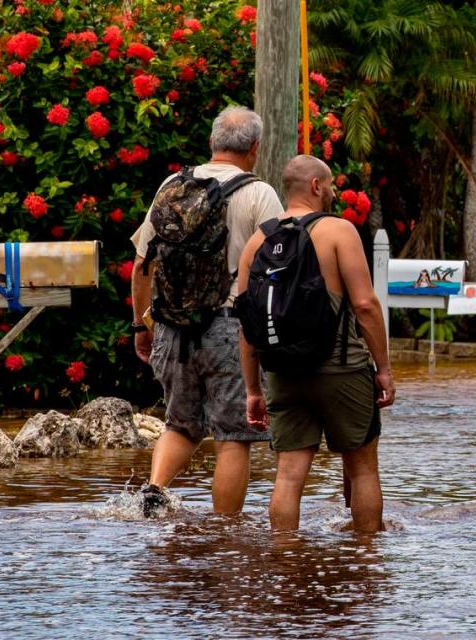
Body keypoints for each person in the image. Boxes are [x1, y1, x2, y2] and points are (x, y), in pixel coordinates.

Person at [131, 106, 284, 514]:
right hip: (230, 328)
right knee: (233, 436)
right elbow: (277, 271)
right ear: (254, 148)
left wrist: (140, 326)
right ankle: (224, 533)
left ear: (211, 144)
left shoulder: (171, 185)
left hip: (171, 325)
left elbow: (142, 264)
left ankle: (154, 489)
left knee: (180, 424)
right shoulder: (259, 193)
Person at [237, 155, 395, 534]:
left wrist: (252, 390)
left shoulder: (257, 243)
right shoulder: (339, 231)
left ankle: (286, 558)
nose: (333, 193)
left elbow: (248, 325)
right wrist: (384, 369)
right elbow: (364, 305)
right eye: (331, 186)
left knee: (289, 475)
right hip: (341, 367)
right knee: (361, 468)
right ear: (316, 186)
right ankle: (366, 559)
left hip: (283, 372)